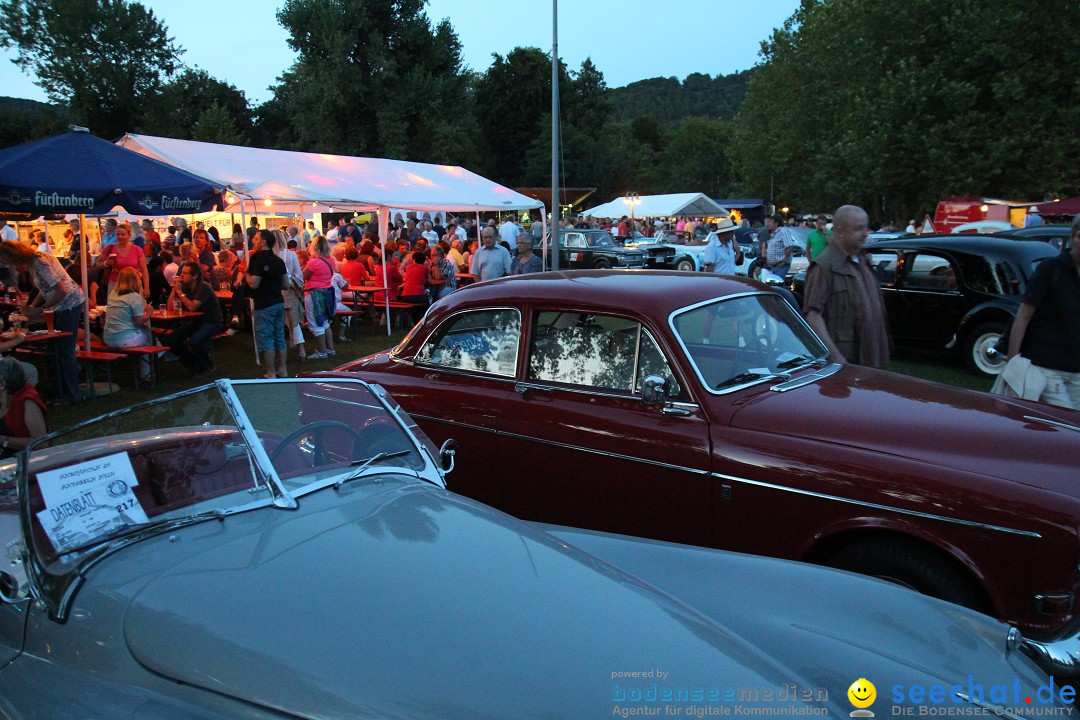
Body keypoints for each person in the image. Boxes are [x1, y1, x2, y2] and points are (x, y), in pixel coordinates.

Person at [1000, 216, 1080, 409]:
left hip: (1076, 371)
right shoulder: (1052, 269)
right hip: (1045, 367)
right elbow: (1024, 315)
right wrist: (1013, 363)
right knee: (1062, 424)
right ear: (1074, 237)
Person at [802, 205, 890, 369]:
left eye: (866, 227)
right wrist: (839, 361)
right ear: (840, 231)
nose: (865, 233)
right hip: (848, 366)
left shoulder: (863, 260)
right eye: (858, 229)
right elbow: (813, 317)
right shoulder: (824, 266)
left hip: (873, 361)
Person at [0, 241, 85, 404]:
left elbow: (61, 290)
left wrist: (40, 310)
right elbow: (45, 287)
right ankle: (61, 392)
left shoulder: (39, 262)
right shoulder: (35, 260)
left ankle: (70, 395)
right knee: (56, 350)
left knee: (64, 350)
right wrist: (32, 306)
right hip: (62, 305)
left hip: (68, 305)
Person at [163, 261, 222, 376]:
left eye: (185, 273)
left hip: (211, 322)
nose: (182, 275)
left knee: (195, 341)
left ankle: (207, 365)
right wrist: (175, 289)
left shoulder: (203, 287)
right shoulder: (185, 287)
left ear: (195, 276)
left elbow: (192, 307)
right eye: (181, 273)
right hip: (196, 322)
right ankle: (194, 364)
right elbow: (169, 307)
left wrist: (180, 292)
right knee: (170, 339)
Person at [245, 229, 288, 378]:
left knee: (266, 338)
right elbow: (286, 284)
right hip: (278, 302)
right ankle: (282, 369)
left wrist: (246, 274)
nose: (253, 241)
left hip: (264, 304)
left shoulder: (257, 259)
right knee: (279, 336)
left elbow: (254, 284)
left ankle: (270, 373)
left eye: (256, 239)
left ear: (263, 242)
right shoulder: (279, 260)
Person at [103, 267, 153, 380]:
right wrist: (149, 313)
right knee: (148, 336)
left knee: (146, 331)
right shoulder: (134, 297)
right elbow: (139, 320)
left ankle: (157, 355)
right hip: (125, 339)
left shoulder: (113, 293)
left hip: (108, 337)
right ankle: (147, 373)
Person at [0, 358, 47, 458]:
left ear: (2, 384)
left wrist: (3, 440)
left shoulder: (27, 402)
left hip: (19, 461)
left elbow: (41, 443)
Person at [303, 236, 337, 359]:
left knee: (315, 323)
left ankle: (322, 351)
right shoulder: (331, 261)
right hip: (326, 293)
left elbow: (303, 276)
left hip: (313, 294)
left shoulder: (313, 262)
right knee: (324, 322)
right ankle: (330, 348)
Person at [96, 221, 149, 297]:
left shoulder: (137, 250)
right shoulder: (109, 248)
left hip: (134, 284)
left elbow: (144, 270)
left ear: (129, 235)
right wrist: (106, 263)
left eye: (123, 234)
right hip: (116, 284)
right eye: (118, 234)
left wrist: (146, 288)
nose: (120, 237)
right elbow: (98, 264)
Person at [399, 250, 430, 324]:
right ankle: (425, 320)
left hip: (406, 296)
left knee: (415, 305)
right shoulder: (425, 268)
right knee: (427, 301)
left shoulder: (408, 267)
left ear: (414, 259)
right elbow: (429, 281)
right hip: (419, 296)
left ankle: (415, 321)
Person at [762, 213, 797, 278]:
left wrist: (784, 261)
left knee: (777, 285)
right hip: (773, 267)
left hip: (781, 266)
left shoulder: (783, 232)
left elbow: (789, 246)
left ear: (776, 223)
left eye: (770, 222)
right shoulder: (774, 234)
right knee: (774, 285)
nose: (768, 224)